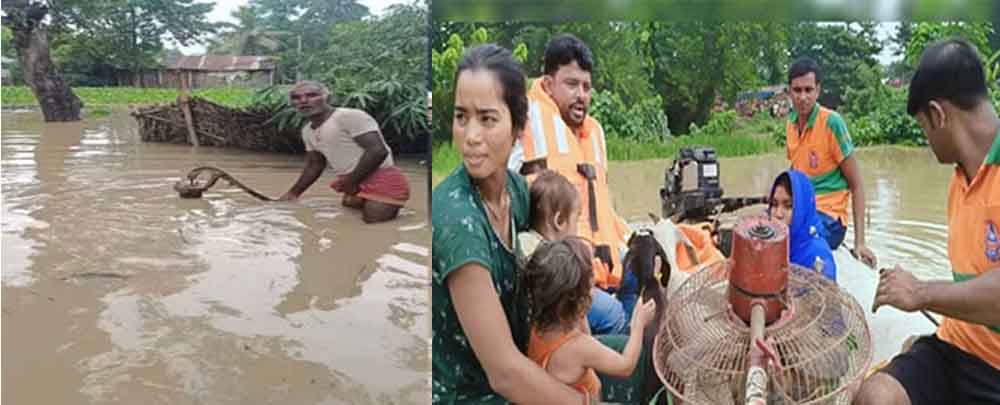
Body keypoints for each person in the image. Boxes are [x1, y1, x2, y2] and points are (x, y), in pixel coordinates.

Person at [431, 43, 587, 404]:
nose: (470, 137)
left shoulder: (518, 192)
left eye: (487, 119)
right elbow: (503, 373)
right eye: (460, 117)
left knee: (630, 357)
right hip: (476, 394)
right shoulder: (458, 222)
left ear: (518, 126)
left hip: (525, 360)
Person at [853, 38, 1000, 405]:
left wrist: (921, 293)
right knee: (875, 397)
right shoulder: (959, 179)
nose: (926, 140)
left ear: (938, 114)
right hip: (956, 347)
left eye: (923, 127)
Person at [506, 33, 633, 330]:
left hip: (597, 264)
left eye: (587, 87)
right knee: (613, 315)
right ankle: (606, 365)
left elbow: (602, 207)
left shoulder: (595, 134)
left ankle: (620, 352)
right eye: (572, 84)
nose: (581, 95)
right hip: (553, 274)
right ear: (548, 85)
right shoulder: (522, 120)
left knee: (646, 274)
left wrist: (633, 244)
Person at [521, 237, 657, 401]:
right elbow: (626, 366)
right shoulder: (580, 347)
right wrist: (638, 324)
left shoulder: (538, 327)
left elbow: (586, 333)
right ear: (578, 301)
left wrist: (579, 308)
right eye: (591, 288)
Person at [785, 57, 877, 268]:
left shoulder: (832, 123)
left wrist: (860, 243)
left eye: (808, 90)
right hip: (802, 210)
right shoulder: (790, 125)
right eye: (797, 90)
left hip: (830, 218)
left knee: (795, 243)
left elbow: (857, 185)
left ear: (818, 91)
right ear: (789, 92)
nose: (803, 97)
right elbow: (796, 169)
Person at [278, 81, 410, 223]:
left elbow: (377, 151)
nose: (303, 101)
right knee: (348, 222)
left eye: (311, 95)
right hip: (352, 184)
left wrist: (350, 182)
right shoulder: (307, 131)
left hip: (381, 181)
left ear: (327, 98)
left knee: (373, 226)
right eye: (296, 98)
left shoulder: (349, 116)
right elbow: (314, 165)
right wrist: (293, 194)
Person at [518, 170, 627, 335]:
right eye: (576, 220)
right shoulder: (552, 257)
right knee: (614, 312)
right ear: (559, 221)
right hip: (560, 318)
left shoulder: (524, 242)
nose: (577, 229)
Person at [768, 170, 838, 281]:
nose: (778, 214)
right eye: (774, 204)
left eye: (788, 206)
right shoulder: (767, 245)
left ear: (802, 209)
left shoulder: (817, 258)